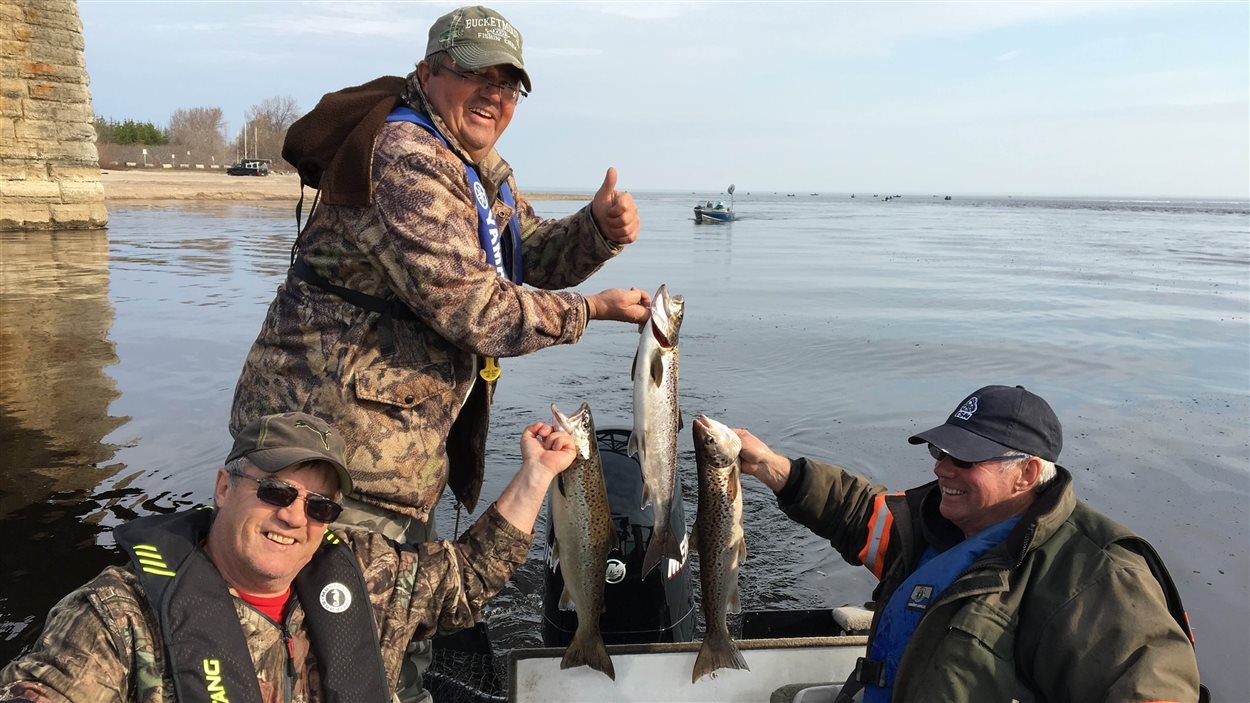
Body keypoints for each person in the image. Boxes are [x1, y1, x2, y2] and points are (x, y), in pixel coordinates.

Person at [230, 4, 649, 542]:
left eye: (507, 85)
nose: (492, 95)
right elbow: (476, 309)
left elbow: (525, 256)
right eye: (475, 74)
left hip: (392, 458)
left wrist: (597, 227)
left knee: (392, 616)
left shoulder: (474, 166)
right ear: (427, 73)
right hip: (326, 462)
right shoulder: (407, 158)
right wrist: (593, 310)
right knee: (328, 621)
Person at [0, 411, 577, 702]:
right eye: (275, 491)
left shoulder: (366, 570)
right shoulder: (115, 617)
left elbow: (468, 578)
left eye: (321, 506)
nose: (294, 516)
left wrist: (536, 475)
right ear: (224, 487)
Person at [735, 385, 1204, 703]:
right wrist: (769, 466)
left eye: (966, 457)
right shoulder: (937, 524)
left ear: (1025, 473)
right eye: (941, 451)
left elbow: (1155, 686)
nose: (942, 468)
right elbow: (858, 514)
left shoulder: (1098, 578)